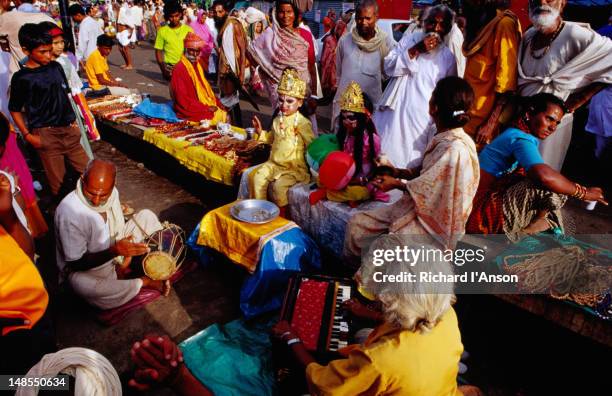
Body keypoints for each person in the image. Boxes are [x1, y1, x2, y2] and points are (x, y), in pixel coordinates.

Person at [345, 76, 480, 258]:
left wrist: (396, 184)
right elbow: (425, 172)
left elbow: (430, 193)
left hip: (433, 224)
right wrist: (396, 172)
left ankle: (368, 282)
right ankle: (348, 278)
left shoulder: (454, 148)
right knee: (357, 224)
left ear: (434, 108)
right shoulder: (444, 137)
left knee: (388, 245)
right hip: (417, 207)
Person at [466, 93, 607, 241]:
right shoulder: (520, 138)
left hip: (481, 199)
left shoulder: (517, 133)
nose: (553, 127)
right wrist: (583, 193)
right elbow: (544, 176)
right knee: (551, 188)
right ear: (529, 113)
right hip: (479, 209)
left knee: (553, 186)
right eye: (549, 119)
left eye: (557, 123)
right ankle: (532, 227)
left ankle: (539, 222)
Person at [55, 159, 171, 310]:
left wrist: (122, 255)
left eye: (103, 195)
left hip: (115, 249)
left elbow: (114, 226)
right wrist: (116, 251)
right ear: (82, 180)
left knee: (147, 216)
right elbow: (76, 264)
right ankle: (144, 282)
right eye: (91, 193)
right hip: (88, 269)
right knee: (81, 286)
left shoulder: (112, 194)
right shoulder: (69, 212)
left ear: (113, 185)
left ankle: (150, 267)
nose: (96, 201)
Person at [518, 0, 612, 172]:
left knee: (542, 176)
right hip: (523, 120)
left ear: (562, 3)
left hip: (552, 124)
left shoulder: (574, 34)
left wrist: (579, 99)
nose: (541, 2)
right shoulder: (529, 35)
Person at [9, 23, 89, 198]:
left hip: (69, 131)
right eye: (42, 52)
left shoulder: (56, 67)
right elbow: (14, 109)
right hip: (46, 136)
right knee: (59, 186)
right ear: (25, 50)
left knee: (90, 174)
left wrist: (74, 123)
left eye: (49, 50)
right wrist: (28, 136)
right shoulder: (22, 77)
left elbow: (64, 95)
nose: (48, 55)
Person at [373, 4, 457, 169]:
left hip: (420, 123)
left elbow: (448, 97)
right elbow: (389, 67)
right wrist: (415, 50)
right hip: (392, 116)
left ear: (448, 29)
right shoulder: (409, 40)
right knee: (381, 155)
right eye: (432, 22)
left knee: (409, 164)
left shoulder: (448, 58)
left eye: (442, 25)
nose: (436, 28)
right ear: (425, 23)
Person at [248, 68, 314, 217]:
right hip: (274, 164)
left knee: (279, 188)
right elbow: (272, 138)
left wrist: (316, 171)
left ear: (300, 103)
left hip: (293, 168)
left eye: (290, 101)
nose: (284, 105)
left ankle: (281, 219)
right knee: (257, 178)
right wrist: (260, 133)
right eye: (281, 100)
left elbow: (312, 146)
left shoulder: (303, 123)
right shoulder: (278, 119)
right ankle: (260, 213)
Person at [310, 81, 388, 205]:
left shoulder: (372, 140)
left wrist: (363, 180)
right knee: (321, 179)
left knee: (358, 192)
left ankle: (328, 194)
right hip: (344, 176)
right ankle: (341, 194)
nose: (346, 122)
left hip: (361, 181)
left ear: (364, 118)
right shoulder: (344, 135)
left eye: (351, 118)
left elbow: (378, 166)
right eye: (344, 117)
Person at [462, 0, 521, 148]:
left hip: (482, 128)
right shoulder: (478, 22)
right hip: (466, 116)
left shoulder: (504, 24)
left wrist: (490, 124)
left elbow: (507, 84)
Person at [332, 0, 395, 124]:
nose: (363, 22)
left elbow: (389, 72)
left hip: (370, 107)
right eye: (360, 18)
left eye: (368, 18)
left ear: (376, 17)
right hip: (344, 107)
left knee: (367, 142)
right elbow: (338, 72)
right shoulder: (345, 41)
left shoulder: (385, 42)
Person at [248, 0, 318, 110]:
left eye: (289, 12)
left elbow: (311, 66)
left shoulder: (305, 35)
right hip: (279, 93)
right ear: (276, 14)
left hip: (302, 91)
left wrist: (314, 95)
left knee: (304, 124)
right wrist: (267, 73)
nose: (285, 16)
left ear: (295, 14)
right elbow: (252, 53)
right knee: (280, 124)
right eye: (281, 12)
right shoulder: (270, 34)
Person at [42, 22, 94, 160]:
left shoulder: (65, 62)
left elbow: (76, 90)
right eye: (55, 43)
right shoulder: (40, 65)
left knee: (77, 145)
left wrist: (85, 115)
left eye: (61, 42)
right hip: (50, 112)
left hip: (69, 108)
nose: (61, 46)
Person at [170, 32, 227, 123]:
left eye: (198, 51)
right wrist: (205, 108)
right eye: (192, 50)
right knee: (216, 117)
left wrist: (217, 102)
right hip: (188, 108)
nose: (195, 54)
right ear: (186, 49)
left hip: (199, 104)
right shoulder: (179, 68)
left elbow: (205, 89)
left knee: (224, 112)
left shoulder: (197, 65)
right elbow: (182, 98)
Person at [213, 0, 249, 126]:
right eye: (215, 12)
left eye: (220, 11)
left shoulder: (234, 24)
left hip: (233, 70)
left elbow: (243, 49)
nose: (217, 14)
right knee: (229, 101)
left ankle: (237, 127)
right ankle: (231, 127)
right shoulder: (221, 26)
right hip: (224, 68)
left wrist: (242, 74)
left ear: (226, 12)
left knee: (231, 100)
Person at [0, 0, 54, 76]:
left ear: (17, 1)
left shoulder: (8, 18)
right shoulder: (49, 19)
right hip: (49, 74)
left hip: (21, 76)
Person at [154, 1, 193, 80]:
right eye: (171, 16)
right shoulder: (162, 31)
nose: (174, 19)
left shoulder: (189, 30)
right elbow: (158, 51)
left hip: (186, 66)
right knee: (174, 91)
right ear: (167, 17)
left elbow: (193, 50)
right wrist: (163, 69)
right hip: (170, 67)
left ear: (181, 14)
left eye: (177, 16)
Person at [68, 3, 104, 69]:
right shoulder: (93, 21)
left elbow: (82, 44)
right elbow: (102, 35)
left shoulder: (84, 25)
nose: (73, 20)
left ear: (78, 15)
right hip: (99, 55)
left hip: (90, 57)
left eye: (73, 17)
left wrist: (78, 58)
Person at [320, 20, 346, 100]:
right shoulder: (329, 39)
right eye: (339, 29)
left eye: (342, 29)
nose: (341, 32)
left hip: (336, 68)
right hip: (329, 67)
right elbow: (324, 58)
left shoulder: (342, 41)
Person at [116, 0, 135, 69]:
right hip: (119, 32)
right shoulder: (119, 10)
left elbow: (130, 22)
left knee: (125, 49)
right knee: (120, 49)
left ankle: (130, 64)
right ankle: (126, 63)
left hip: (124, 32)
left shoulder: (124, 10)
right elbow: (117, 22)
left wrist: (131, 33)